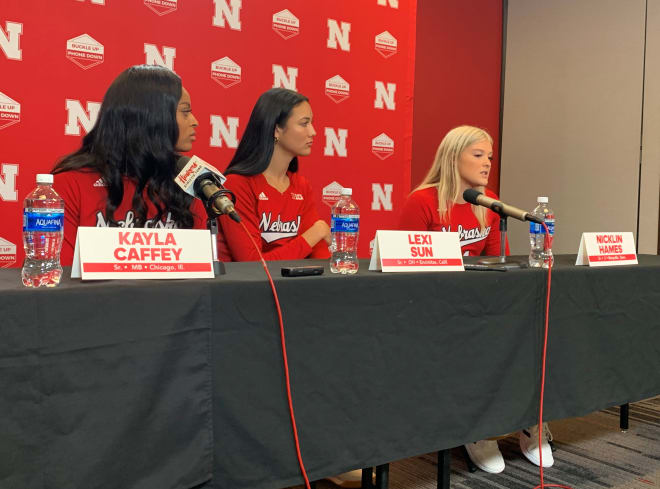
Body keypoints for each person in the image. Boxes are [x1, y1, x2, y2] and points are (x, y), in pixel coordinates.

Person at [399, 125, 553, 473]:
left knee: (531, 330)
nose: (487, 164)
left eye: (490, 157)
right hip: (437, 307)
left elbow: (501, 262)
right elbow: (403, 264)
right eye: (478, 155)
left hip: (479, 303)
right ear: (453, 157)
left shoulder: (487, 202)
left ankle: (530, 420)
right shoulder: (422, 201)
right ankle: (479, 427)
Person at [52, 65, 206, 266]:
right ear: (151, 117)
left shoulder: (188, 181)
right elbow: (56, 276)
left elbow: (202, 274)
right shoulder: (70, 183)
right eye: (185, 112)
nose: (195, 122)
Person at [217, 88, 330, 261]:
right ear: (276, 129)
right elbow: (252, 264)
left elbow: (320, 253)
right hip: (250, 287)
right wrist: (314, 234)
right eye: (304, 123)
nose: (313, 132)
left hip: (292, 286)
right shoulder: (236, 185)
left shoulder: (301, 186)